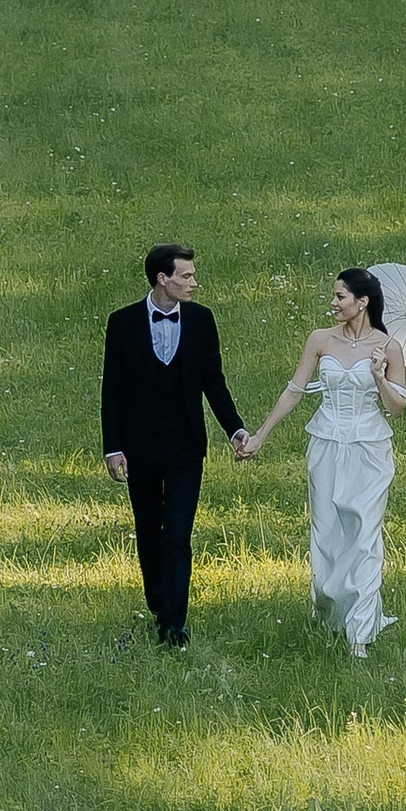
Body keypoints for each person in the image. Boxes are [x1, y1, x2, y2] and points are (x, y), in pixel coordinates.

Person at [236, 266, 406, 655]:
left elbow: (397, 409)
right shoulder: (320, 339)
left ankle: (360, 634)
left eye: (339, 297)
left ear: (362, 302)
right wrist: (261, 435)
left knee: (364, 534)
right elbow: (294, 390)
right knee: (327, 532)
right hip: (325, 443)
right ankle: (329, 614)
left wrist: (379, 376)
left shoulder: (389, 347)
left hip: (369, 449)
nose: (333, 303)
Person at [101, 245, 251, 648]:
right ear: (162, 279)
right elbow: (112, 389)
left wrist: (235, 430)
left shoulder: (202, 320)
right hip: (140, 447)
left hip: (186, 447)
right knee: (149, 530)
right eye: (186, 276)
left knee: (178, 534)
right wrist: (113, 447)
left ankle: (174, 624)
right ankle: (158, 602)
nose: (193, 282)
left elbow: (214, 382)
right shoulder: (122, 322)